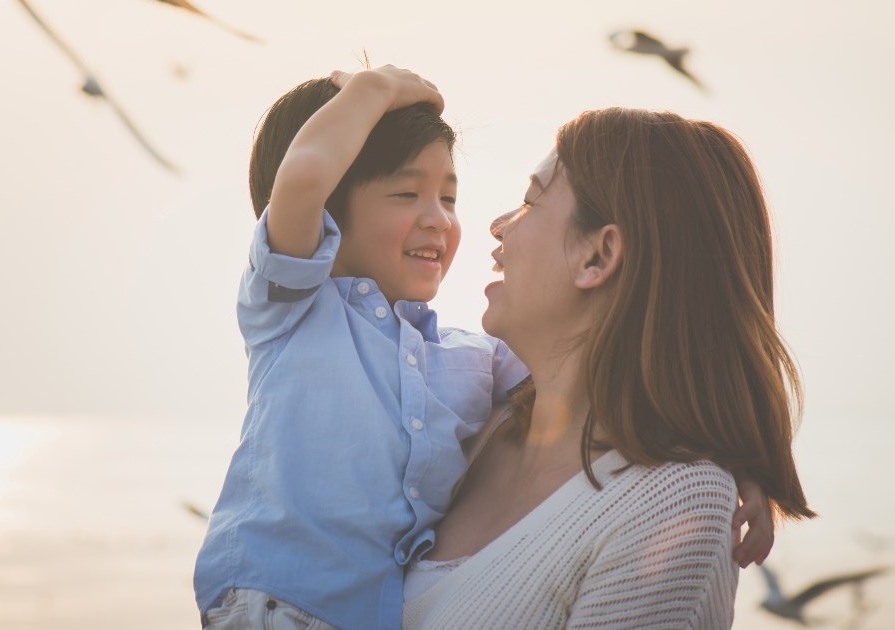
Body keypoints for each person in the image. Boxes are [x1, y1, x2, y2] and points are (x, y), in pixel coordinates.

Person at [195, 67, 773, 630]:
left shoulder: (465, 366)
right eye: (404, 192)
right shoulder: (300, 313)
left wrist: (730, 460)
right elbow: (300, 182)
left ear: (598, 256)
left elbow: (647, 358)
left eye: (527, 201)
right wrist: (372, 91)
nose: (474, 224)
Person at [401, 107, 816, 629]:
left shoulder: (675, 502)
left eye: (531, 202)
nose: (499, 226)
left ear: (598, 257)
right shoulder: (469, 415)